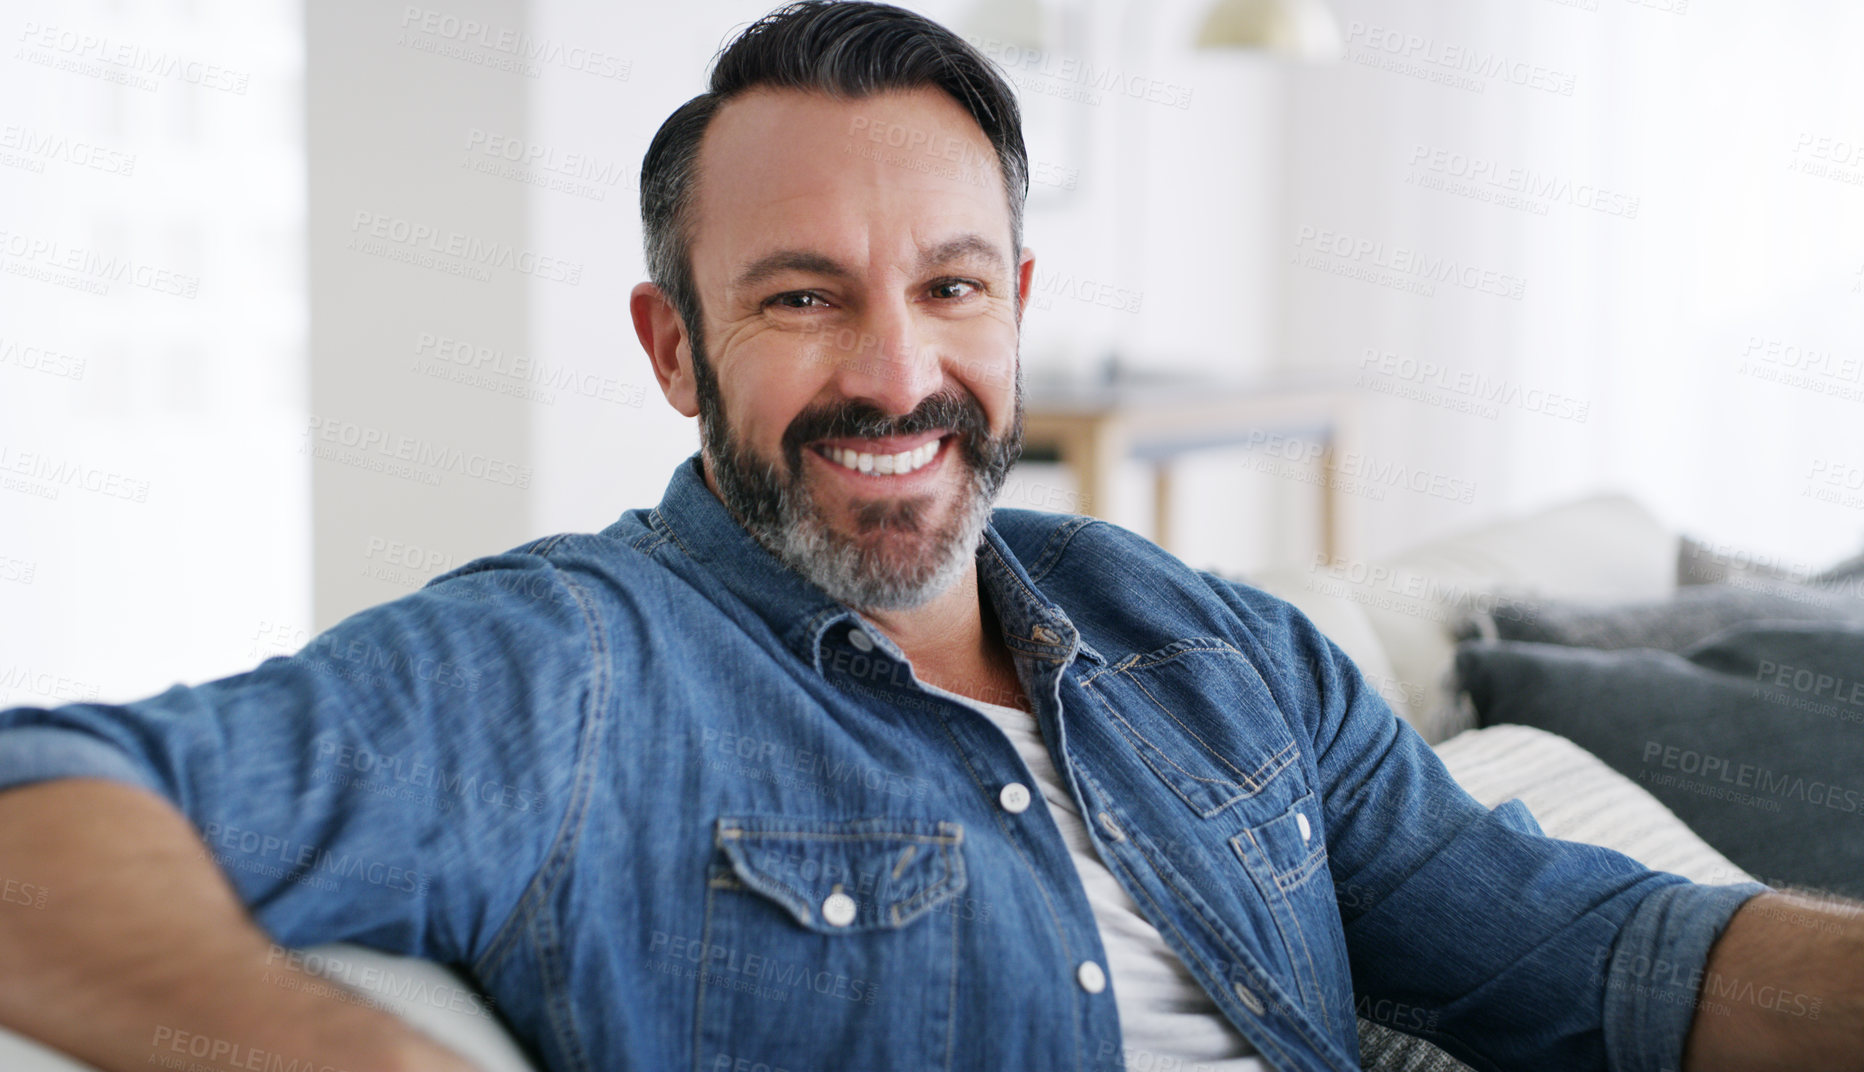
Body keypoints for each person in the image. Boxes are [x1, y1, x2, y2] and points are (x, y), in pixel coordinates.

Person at [0, 3, 1858, 1070]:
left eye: (950, 288)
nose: (899, 374)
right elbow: (42, 808)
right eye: (803, 300)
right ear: (675, 345)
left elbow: (1605, 961)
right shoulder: (574, 672)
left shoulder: (1211, 650)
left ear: (1016, 305)